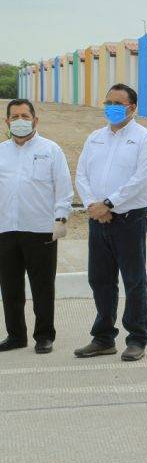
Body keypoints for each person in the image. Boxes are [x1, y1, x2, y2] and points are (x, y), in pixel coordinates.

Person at [74, 84, 147, 362]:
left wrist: (109, 203)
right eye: (108, 102)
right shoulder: (95, 138)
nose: (111, 107)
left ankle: (136, 338)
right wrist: (93, 205)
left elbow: (141, 179)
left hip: (129, 220)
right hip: (97, 219)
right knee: (100, 279)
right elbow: (81, 174)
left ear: (132, 108)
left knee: (134, 280)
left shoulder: (145, 139)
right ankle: (103, 338)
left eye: (117, 103)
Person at [0, 99, 73, 354]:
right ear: (7, 121)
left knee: (42, 286)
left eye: (25, 116)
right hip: (6, 229)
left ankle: (44, 336)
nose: (20, 121)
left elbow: (63, 188)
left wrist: (61, 218)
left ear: (35, 120)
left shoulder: (51, 150)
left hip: (41, 229)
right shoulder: (1, 151)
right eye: (15, 117)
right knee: (10, 287)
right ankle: (15, 335)